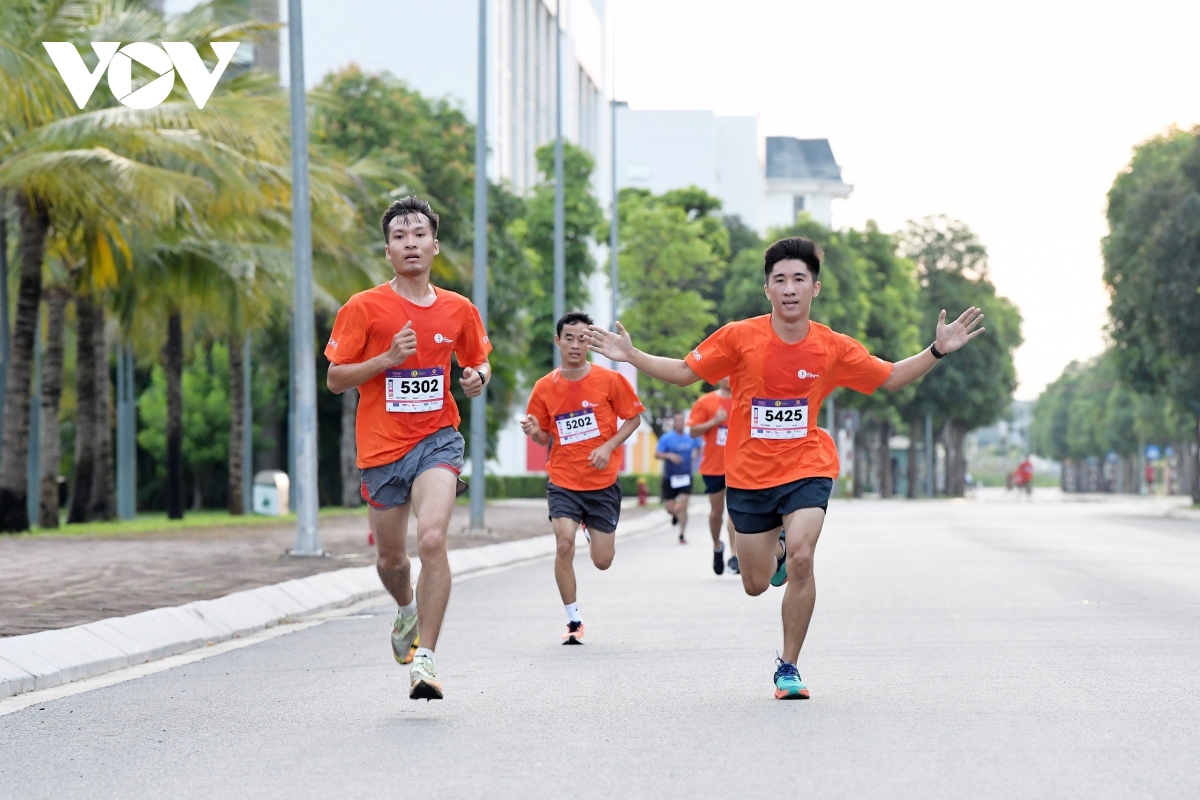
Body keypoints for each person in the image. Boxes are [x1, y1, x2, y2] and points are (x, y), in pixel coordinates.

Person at [584, 236, 985, 700]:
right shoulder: (739, 337)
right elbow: (685, 371)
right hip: (749, 477)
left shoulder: (832, 347)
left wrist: (935, 351)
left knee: (802, 554)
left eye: (799, 279)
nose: (790, 288)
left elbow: (891, 377)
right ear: (767, 289)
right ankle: (771, 552)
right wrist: (631, 356)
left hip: (807, 465)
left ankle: (789, 666)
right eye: (780, 280)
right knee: (755, 585)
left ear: (815, 287)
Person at [325, 196, 492, 701]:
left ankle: (426, 659)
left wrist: (476, 377)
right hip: (380, 451)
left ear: (434, 245)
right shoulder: (363, 308)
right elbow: (334, 379)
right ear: (388, 250)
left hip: (437, 439)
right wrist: (385, 359)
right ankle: (404, 610)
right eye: (400, 237)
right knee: (392, 564)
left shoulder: (459, 309)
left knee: (434, 539)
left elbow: (481, 360)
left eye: (419, 234)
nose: (410, 243)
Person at [522, 312, 645, 645]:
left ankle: (592, 528)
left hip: (602, 482)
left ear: (590, 342)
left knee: (603, 562)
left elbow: (633, 419)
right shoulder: (544, 387)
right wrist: (536, 432)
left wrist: (608, 446)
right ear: (558, 341)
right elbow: (544, 438)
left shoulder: (609, 381)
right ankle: (574, 620)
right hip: (563, 480)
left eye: (582, 339)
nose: (576, 345)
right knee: (564, 544)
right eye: (569, 338)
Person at [688, 377, 738, 574]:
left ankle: (735, 555)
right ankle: (717, 546)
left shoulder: (745, 398)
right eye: (724, 374)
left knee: (735, 512)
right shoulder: (705, 402)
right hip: (713, 466)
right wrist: (714, 421)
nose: (728, 378)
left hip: (739, 466)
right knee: (717, 512)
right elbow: (692, 431)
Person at [656, 413, 701, 545]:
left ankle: (682, 534)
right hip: (670, 477)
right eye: (677, 421)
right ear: (674, 423)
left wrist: (694, 459)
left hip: (686, 476)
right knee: (670, 508)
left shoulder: (690, 437)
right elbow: (657, 454)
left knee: (684, 504)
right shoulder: (666, 438)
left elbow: (699, 446)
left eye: (682, 420)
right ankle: (674, 515)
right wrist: (669, 456)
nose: (680, 423)